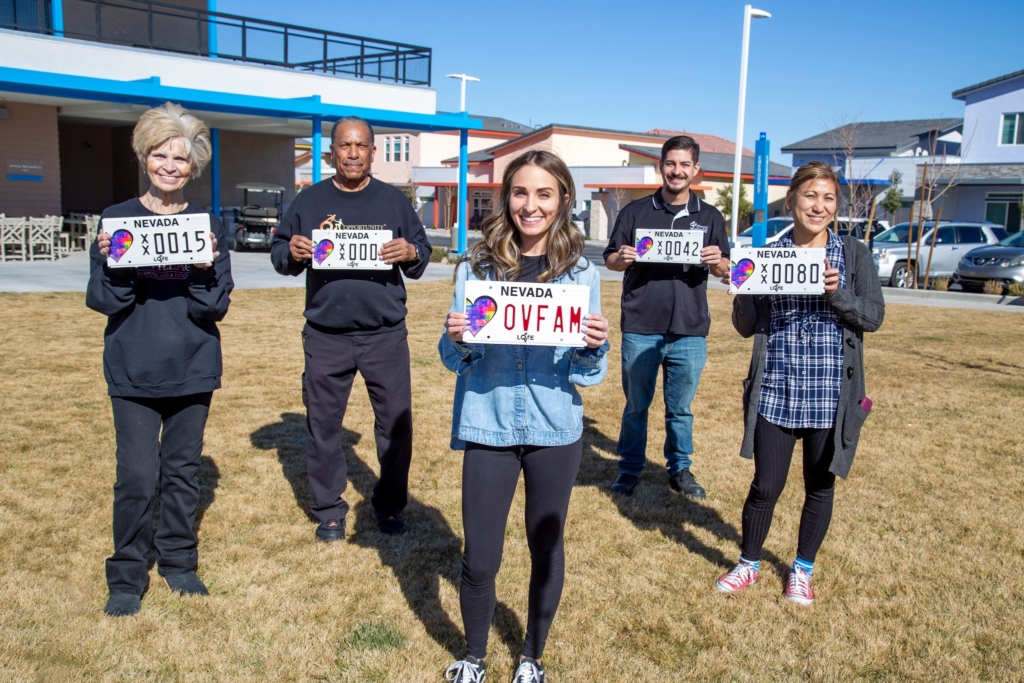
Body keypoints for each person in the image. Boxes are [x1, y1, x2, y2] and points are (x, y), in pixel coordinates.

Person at [439, 150, 609, 683]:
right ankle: (473, 658)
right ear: (505, 197)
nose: (529, 206)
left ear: (562, 201)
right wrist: (456, 337)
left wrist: (593, 347)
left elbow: (587, 375)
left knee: (545, 545)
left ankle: (531, 656)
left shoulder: (583, 274)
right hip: (487, 422)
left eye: (543, 194)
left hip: (554, 429)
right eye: (519, 193)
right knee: (481, 555)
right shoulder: (475, 268)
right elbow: (452, 360)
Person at [86, 103, 233, 617]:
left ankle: (178, 562)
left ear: (194, 166)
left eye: (180, 158)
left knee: (182, 472)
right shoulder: (115, 220)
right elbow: (105, 301)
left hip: (192, 367)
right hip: (132, 367)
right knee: (136, 477)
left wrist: (203, 265)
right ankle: (126, 573)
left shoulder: (208, 226)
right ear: (144, 156)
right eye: (160, 155)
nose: (169, 165)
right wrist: (113, 262)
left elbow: (214, 306)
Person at [716, 161, 885, 605]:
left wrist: (838, 293)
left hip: (831, 394)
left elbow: (873, 316)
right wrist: (744, 288)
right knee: (766, 485)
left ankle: (802, 571)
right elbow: (745, 327)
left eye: (828, 198)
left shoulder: (853, 255)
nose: (819, 205)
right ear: (791, 200)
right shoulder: (767, 252)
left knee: (820, 485)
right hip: (778, 388)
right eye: (810, 195)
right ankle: (748, 562)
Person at [271, 116, 432, 541]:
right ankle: (329, 510)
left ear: (373, 152)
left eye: (361, 146)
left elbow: (421, 255)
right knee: (323, 425)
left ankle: (391, 506)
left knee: (395, 425)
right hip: (327, 335)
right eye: (345, 146)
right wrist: (291, 251)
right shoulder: (309, 201)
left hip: (385, 334)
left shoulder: (394, 201)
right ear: (332, 152)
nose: (354, 153)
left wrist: (411, 250)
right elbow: (278, 253)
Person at [603, 135, 730, 498]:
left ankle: (680, 469)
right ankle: (628, 469)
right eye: (671, 163)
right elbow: (611, 259)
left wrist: (717, 262)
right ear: (662, 166)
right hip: (641, 325)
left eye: (685, 165)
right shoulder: (634, 213)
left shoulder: (709, 217)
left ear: (696, 170)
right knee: (636, 406)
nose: (677, 171)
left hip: (689, 329)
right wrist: (622, 258)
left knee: (680, 410)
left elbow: (729, 268)